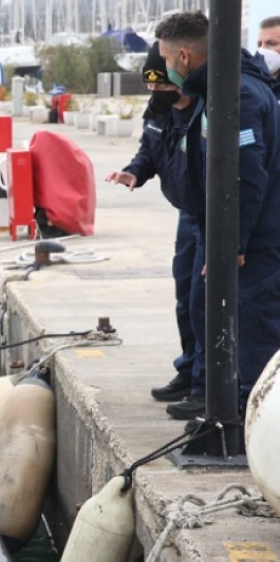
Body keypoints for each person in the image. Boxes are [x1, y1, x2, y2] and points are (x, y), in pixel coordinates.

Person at [156, 11, 280, 420]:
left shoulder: (236, 95)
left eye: (166, 60)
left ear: (184, 57)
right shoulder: (223, 88)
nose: (166, 69)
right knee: (227, 325)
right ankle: (235, 417)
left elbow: (246, 176)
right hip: (240, 234)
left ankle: (247, 431)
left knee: (254, 341)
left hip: (258, 241)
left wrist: (232, 243)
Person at [103, 43, 202, 407]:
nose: (155, 92)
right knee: (185, 296)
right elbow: (150, 149)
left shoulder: (205, 111)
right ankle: (189, 370)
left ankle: (206, 383)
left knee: (204, 300)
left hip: (211, 215)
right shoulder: (158, 112)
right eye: (150, 86)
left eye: (162, 86)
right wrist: (135, 172)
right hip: (187, 214)